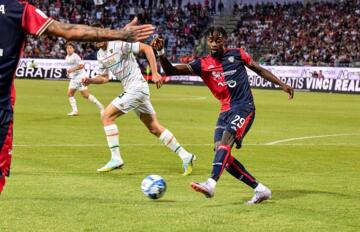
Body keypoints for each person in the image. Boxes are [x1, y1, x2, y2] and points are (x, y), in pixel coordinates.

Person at [0, 0, 154, 194]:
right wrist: (121, 34)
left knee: (85, 98)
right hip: (2, 107)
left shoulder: (20, 10)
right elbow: (68, 30)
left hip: (91, 80)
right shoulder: (19, 9)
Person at [150, 27, 294, 204]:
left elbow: (259, 69)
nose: (214, 43)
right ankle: (260, 189)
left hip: (244, 107)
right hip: (225, 111)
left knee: (225, 145)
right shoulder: (202, 64)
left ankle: (211, 184)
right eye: (211, 40)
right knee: (222, 155)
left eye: (218, 40)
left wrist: (282, 84)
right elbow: (171, 71)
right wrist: (161, 52)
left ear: (224, 41)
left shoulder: (237, 54)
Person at [81, 27, 195, 175]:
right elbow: (104, 77)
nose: (98, 41)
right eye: (94, 39)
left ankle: (116, 158)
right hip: (133, 90)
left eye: (99, 36)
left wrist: (154, 73)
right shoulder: (100, 55)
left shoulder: (119, 44)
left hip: (137, 88)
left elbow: (147, 48)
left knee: (106, 116)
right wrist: (90, 80)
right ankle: (186, 156)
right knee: (154, 128)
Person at [65, 42, 104, 116]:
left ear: (73, 49)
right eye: (67, 48)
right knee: (71, 93)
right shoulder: (67, 57)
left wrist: (72, 70)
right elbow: (71, 67)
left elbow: (81, 66)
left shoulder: (75, 56)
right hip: (74, 78)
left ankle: (101, 107)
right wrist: (69, 73)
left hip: (80, 77)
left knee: (84, 95)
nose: (69, 49)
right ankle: (75, 111)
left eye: (70, 48)